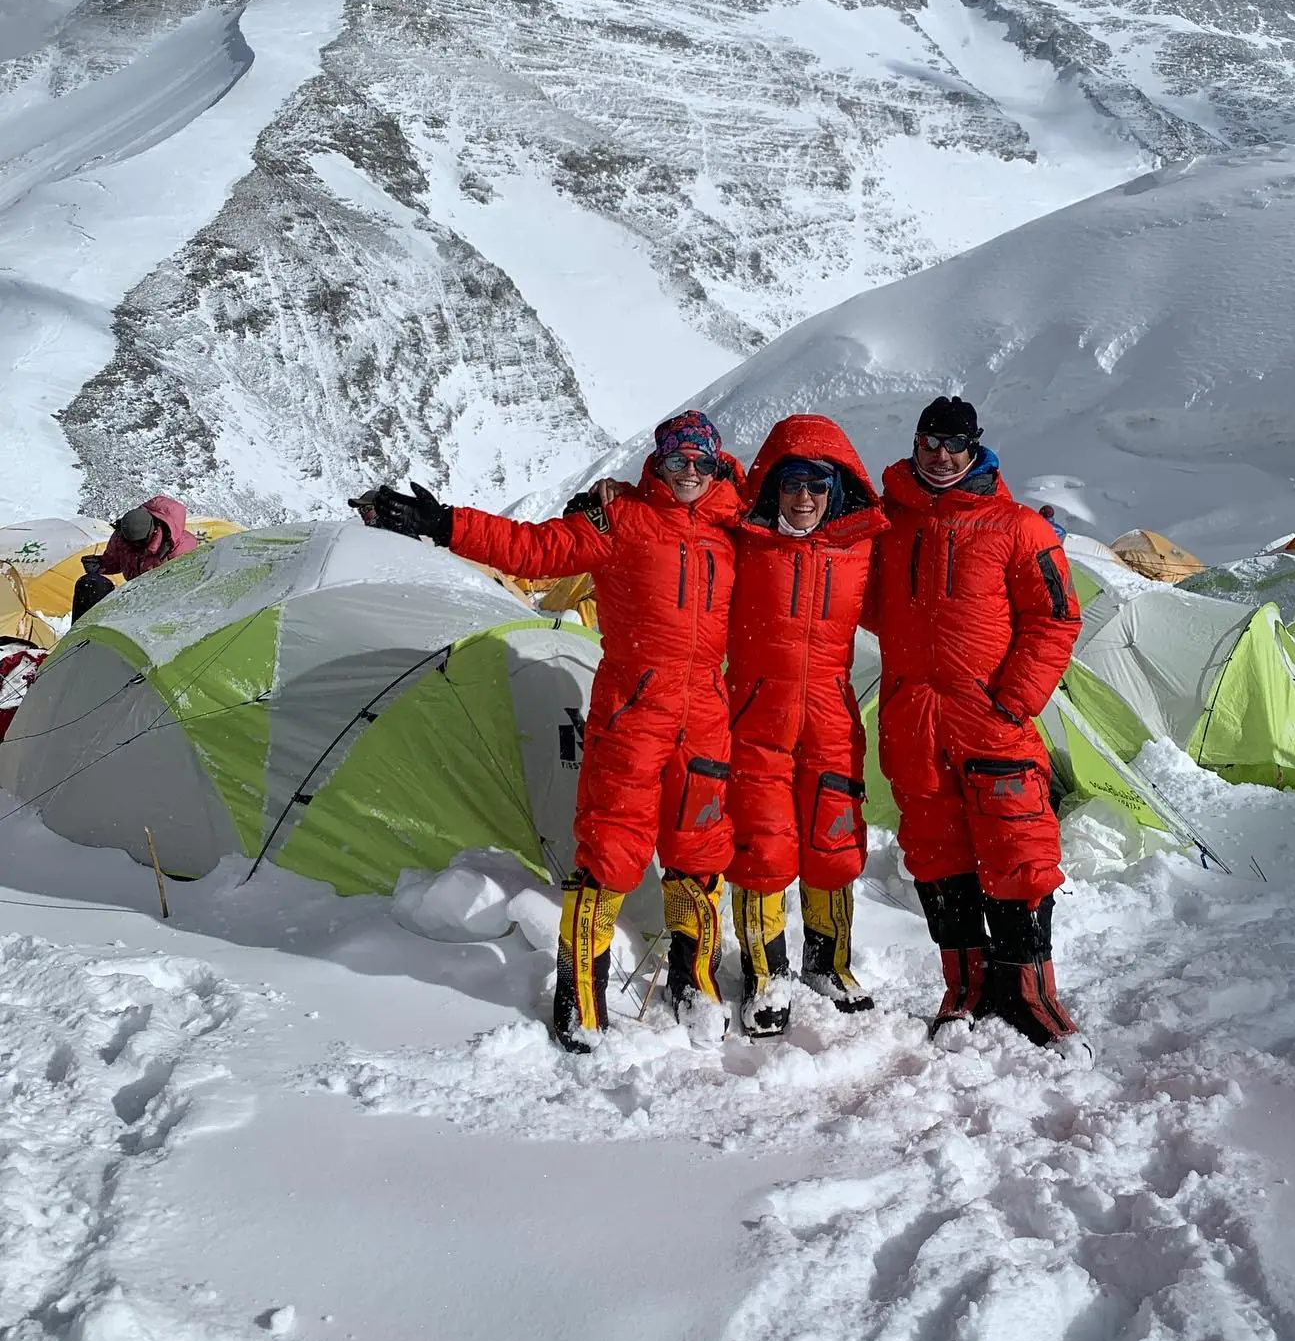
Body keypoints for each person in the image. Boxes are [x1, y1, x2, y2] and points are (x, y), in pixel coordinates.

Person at [363, 411, 744, 1053]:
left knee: (700, 849)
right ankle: (581, 998)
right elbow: (535, 551)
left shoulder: (736, 527)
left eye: (700, 462)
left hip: (705, 714)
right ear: (657, 462)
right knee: (612, 848)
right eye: (676, 459)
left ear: (717, 465)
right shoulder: (619, 521)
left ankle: (696, 981)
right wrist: (445, 523)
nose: (687, 472)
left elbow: (807, 519)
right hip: (634, 711)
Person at [866, 396, 1085, 1051]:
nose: (938, 454)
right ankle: (964, 991)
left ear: (974, 448)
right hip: (915, 721)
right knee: (937, 863)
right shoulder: (888, 525)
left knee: (1019, 856)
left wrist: (1014, 701)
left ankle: (1031, 997)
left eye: (951, 444)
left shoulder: (1020, 527)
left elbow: (1056, 619)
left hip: (992, 721)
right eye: (928, 441)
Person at [724, 414, 888, 1036]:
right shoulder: (743, 538)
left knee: (834, 839)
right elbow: (683, 506)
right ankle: (765, 973)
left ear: (836, 490)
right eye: (792, 483)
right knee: (762, 843)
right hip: (757, 712)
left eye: (818, 485)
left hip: (830, 712)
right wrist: (614, 494)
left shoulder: (862, 548)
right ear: (774, 486)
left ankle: (830, 962)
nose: (804, 498)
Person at [97, 497, 198, 583]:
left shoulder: (180, 549)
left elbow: (186, 582)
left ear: (153, 531)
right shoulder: (122, 538)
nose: (134, 546)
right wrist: (99, 564)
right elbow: (114, 561)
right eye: (130, 542)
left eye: (140, 542)